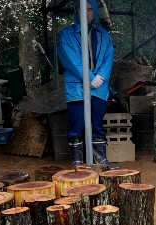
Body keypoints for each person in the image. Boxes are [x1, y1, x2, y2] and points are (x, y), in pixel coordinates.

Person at [58, 0, 119, 169]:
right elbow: (71, 60)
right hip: (77, 88)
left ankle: (101, 160)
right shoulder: (67, 34)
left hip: (98, 88)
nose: (86, 13)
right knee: (76, 125)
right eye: (82, 9)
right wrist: (89, 78)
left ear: (95, 12)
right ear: (76, 11)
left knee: (97, 124)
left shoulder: (103, 35)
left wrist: (100, 78)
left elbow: (108, 58)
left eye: (90, 9)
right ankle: (78, 162)